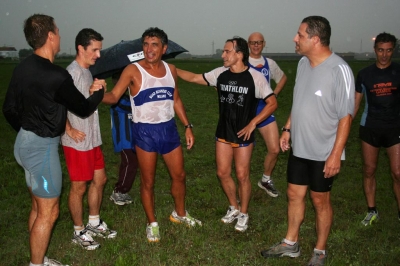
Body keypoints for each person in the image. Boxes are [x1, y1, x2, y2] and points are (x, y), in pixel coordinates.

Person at [2, 14, 104, 266]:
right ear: (50, 36)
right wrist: (99, 93)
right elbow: (82, 108)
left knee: (38, 207)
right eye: (57, 31)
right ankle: (37, 264)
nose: (59, 36)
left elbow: (8, 109)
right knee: (49, 211)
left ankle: (39, 258)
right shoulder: (56, 75)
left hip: (24, 144)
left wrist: (27, 131)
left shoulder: (22, 67)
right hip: (42, 148)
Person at [260, 16, 355, 266]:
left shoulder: (339, 70)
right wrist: (287, 129)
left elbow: (346, 117)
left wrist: (336, 154)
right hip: (299, 147)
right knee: (293, 194)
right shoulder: (303, 63)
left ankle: (320, 251)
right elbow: (299, 101)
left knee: (320, 200)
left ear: (315, 39)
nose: (295, 38)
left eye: (300, 35)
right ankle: (291, 243)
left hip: (325, 151)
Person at [102, 27, 201, 243]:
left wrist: (187, 126)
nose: (149, 49)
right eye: (145, 44)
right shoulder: (133, 70)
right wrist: (96, 94)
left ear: (164, 48)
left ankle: (180, 213)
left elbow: (175, 99)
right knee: (148, 182)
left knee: (180, 176)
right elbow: (113, 96)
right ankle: (152, 223)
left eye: (154, 44)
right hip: (145, 132)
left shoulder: (171, 70)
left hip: (169, 130)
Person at [177, 36, 277, 232]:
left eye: (227, 51)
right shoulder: (220, 73)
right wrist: (171, 69)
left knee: (242, 175)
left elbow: (272, 103)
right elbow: (194, 77)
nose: (223, 55)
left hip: (243, 134)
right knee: (222, 173)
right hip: (223, 131)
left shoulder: (255, 77)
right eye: (223, 51)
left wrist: (253, 124)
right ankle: (234, 206)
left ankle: (244, 214)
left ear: (239, 54)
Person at [61, 28, 116, 251]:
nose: (98, 55)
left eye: (99, 50)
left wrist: (97, 90)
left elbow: (86, 100)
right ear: (81, 48)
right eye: (94, 50)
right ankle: (78, 230)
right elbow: (58, 104)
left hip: (92, 138)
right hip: (77, 141)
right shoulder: (71, 73)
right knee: (78, 187)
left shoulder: (87, 72)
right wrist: (68, 130)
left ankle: (93, 222)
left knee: (100, 179)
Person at [354, 32, 400, 226]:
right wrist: (342, 127)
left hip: (394, 128)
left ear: (393, 50)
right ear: (375, 50)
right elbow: (355, 105)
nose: (384, 55)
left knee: (398, 172)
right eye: (380, 50)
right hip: (370, 127)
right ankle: (372, 211)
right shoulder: (365, 74)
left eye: (388, 50)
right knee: (369, 170)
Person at [248, 32, 287, 197]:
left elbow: (283, 77)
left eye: (259, 42)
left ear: (264, 44)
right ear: (248, 44)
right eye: (253, 42)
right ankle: (242, 184)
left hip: (264, 108)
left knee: (275, 148)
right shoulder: (241, 61)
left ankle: (265, 179)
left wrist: (274, 94)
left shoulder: (269, 63)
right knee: (243, 152)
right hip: (245, 110)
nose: (256, 45)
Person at [109, 72, 139, 205]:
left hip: (132, 139)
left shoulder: (126, 98)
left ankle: (121, 190)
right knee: (131, 163)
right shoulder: (116, 100)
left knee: (127, 164)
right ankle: (119, 191)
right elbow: (133, 107)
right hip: (123, 139)